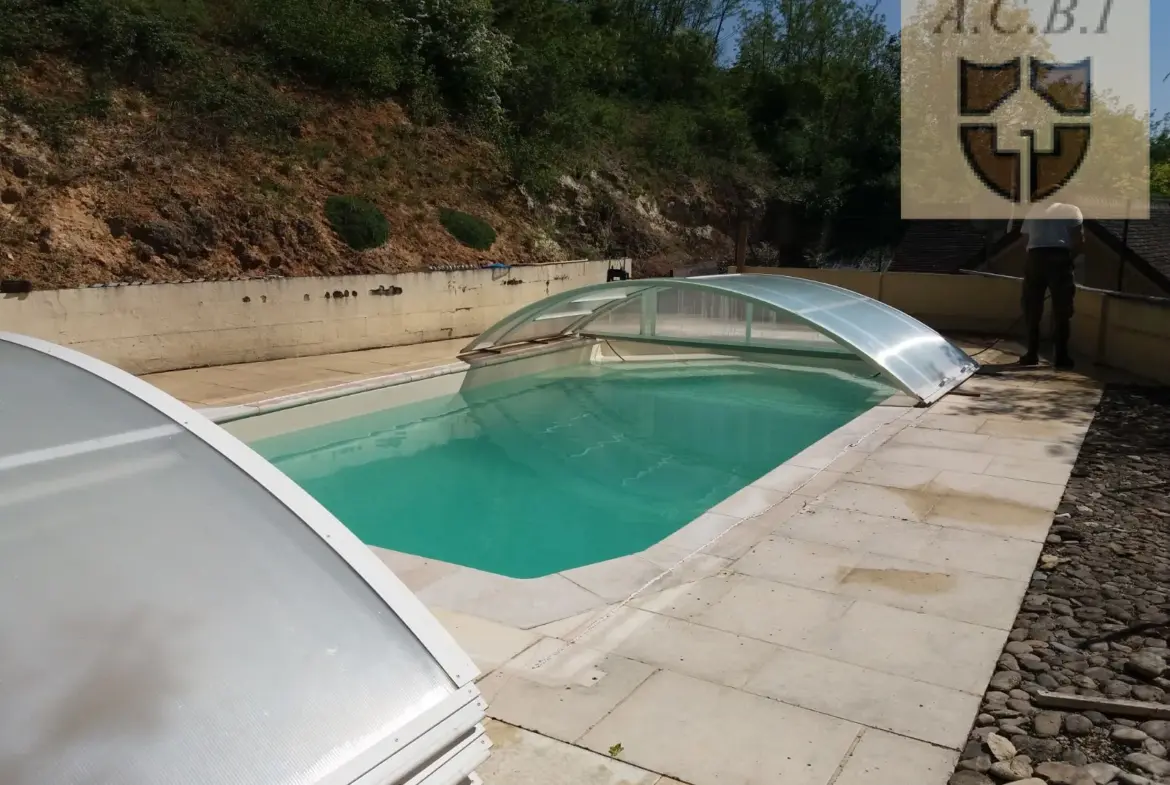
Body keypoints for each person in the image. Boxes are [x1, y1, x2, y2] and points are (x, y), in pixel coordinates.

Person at [1018, 201, 1084, 368]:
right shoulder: (1072, 209)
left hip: (1035, 257)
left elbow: (1024, 239)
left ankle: (1031, 354)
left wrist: (1033, 260)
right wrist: (1068, 261)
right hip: (1060, 257)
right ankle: (1061, 357)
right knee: (1062, 310)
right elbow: (1079, 240)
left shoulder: (1034, 210)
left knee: (1032, 308)